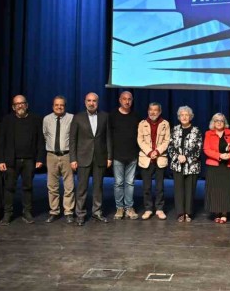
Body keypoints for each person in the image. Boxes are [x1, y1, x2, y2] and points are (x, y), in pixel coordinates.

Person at [0, 94, 45, 225]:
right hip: (11, 160)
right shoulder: (7, 120)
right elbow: (1, 141)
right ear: (13, 107)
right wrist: (0, 160)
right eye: (17, 104)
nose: (20, 106)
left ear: (26, 105)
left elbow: (40, 140)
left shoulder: (35, 119)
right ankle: (7, 213)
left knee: (28, 187)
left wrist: (40, 158)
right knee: (9, 187)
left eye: (22, 103)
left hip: (29, 160)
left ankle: (27, 212)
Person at [70, 92, 112, 226]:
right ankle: (80, 214)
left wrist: (109, 156)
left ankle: (97, 212)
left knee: (98, 187)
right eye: (89, 100)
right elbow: (72, 139)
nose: (91, 103)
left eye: (94, 101)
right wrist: (73, 158)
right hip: (83, 157)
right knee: (81, 188)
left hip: (100, 157)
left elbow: (108, 138)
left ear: (97, 103)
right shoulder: (78, 117)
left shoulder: (105, 116)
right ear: (85, 102)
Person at [42, 96, 75, 224]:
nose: (59, 107)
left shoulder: (71, 118)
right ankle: (54, 211)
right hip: (51, 155)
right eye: (56, 105)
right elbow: (45, 135)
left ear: (65, 106)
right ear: (53, 106)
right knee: (52, 186)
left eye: (61, 105)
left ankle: (68, 212)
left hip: (67, 155)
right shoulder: (47, 119)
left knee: (69, 185)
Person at [110, 91, 141, 220]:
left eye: (129, 99)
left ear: (132, 101)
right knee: (118, 183)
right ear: (120, 100)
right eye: (124, 99)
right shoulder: (112, 115)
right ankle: (119, 207)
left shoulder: (136, 116)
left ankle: (129, 207)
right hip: (117, 155)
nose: (127, 101)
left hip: (132, 155)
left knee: (130, 183)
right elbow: (109, 136)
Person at [203, 113, 230, 223]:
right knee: (215, 190)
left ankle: (224, 213)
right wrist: (219, 155)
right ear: (213, 123)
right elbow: (206, 149)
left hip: (228, 166)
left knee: (226, 190)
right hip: (214, 166)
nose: (219, 122)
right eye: (216, 120)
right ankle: (216, 212)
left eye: (221, 121)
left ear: (224, 123)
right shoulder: (208, 134)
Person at [168, 106, 202, 222]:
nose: (184, 117)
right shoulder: (174, 130)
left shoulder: (196, 131)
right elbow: (170, 146)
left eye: (186, 115)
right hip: (177, 165)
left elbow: (198, 149)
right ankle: (180, 213)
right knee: (178, 190)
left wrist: (186, 157)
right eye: (182, 115)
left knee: (190, 190)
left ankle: (188, 213)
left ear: (190, 117)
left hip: (192, 166)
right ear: (179, 117)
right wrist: (178, 156)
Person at [137, 102, 170, 220]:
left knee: (159, 187)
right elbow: (140, 140)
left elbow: (167, 140)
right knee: (146, 187)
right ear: (148, 111)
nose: (153, 112)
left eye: (155, 110)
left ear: (160, 112)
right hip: (146, 158)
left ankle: (159, 209)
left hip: (160, 158)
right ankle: (148, 209)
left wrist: (157, 152)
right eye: (151, 110)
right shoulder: (142, 124)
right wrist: (150, 152)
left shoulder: (165, 124)